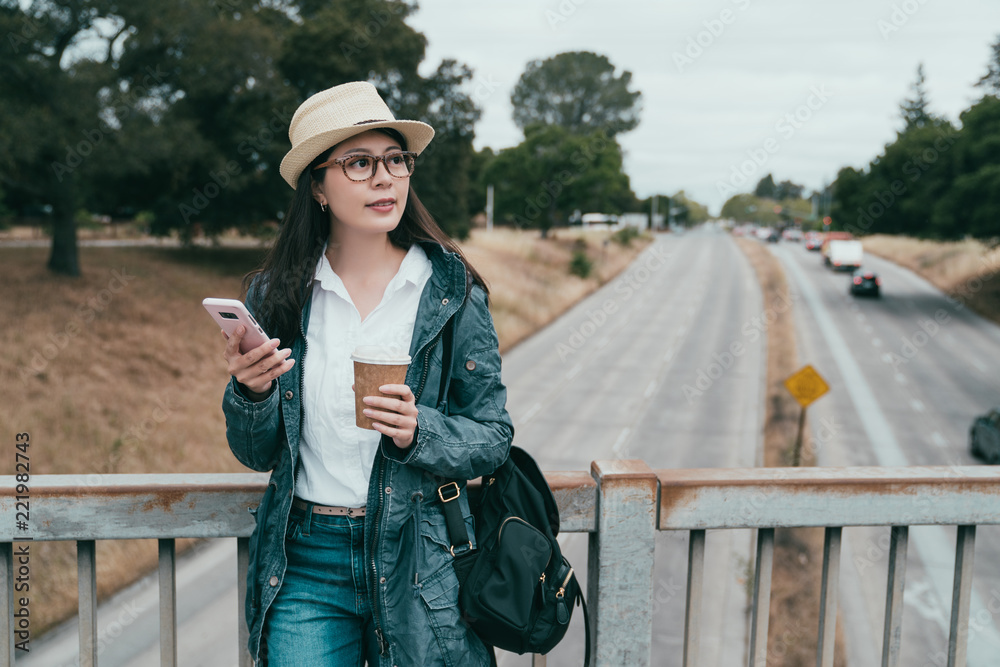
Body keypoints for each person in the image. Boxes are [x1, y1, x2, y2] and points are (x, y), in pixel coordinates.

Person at [220, 81, 513, 667]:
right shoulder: (275, 296)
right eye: (358, 163)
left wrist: (417, 430)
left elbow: (494, 437)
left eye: (395, 160)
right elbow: (257, 454)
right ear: (319, 188)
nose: (385, 178)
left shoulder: (450, 292)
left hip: (420, 562)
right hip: (306, 563)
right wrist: (251, 393)